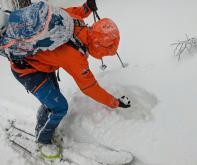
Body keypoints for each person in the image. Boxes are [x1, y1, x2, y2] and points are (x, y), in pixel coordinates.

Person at [0, 0, 131, 158]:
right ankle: (43, 141)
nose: (103, 56)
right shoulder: (76, 58)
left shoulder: (77, 22)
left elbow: (67, 11)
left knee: (51, 101)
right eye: (105, 52)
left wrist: (86, 8)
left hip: (40, 64)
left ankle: (43, 124)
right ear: (97, 46)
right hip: (27, 72)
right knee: (59, 107)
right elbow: (90, 87)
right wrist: (115, 102)